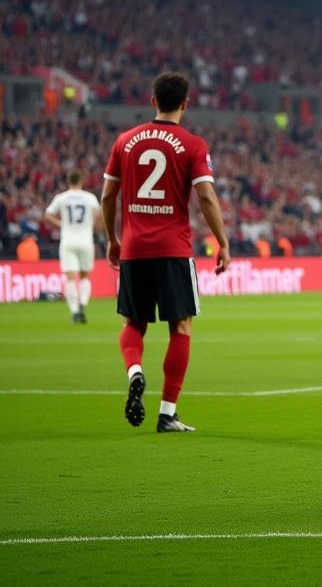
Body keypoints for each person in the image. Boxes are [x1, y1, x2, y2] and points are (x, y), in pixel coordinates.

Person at [102, 71, 231, 433]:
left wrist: (113, 239)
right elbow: (205, 196)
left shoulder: (125, 142)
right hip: (173, 248)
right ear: (186, 105)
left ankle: (135, 371)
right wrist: (222, 241)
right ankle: (167, 413)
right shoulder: (192, 144)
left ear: (152, 100)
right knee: (181, 326)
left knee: (133, 323)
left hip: (134, 248)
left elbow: (108, 196)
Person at [43, 171, 102, 324]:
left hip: (68, 241)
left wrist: (60, 224)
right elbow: (99, 214)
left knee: (70, 278)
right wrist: (92, 224)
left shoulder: (61, 198)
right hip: (85, 240)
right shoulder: (90, 198)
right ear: (81, 180)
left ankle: (75, 312)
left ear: (68, 181)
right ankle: (82, 303)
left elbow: (47, 214)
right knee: (84, 276)